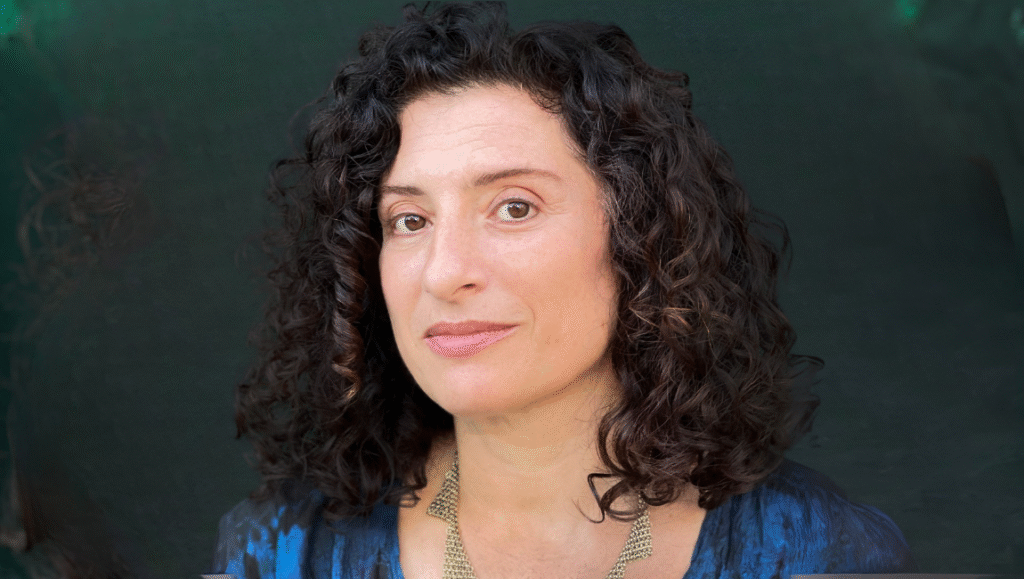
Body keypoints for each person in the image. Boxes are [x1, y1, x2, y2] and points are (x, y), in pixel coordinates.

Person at [208, 3, 917, 578]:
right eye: (410, 219)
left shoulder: (822, 552)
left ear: (640, 238)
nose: (444, 270)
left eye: (514, 206)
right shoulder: (277, 551)